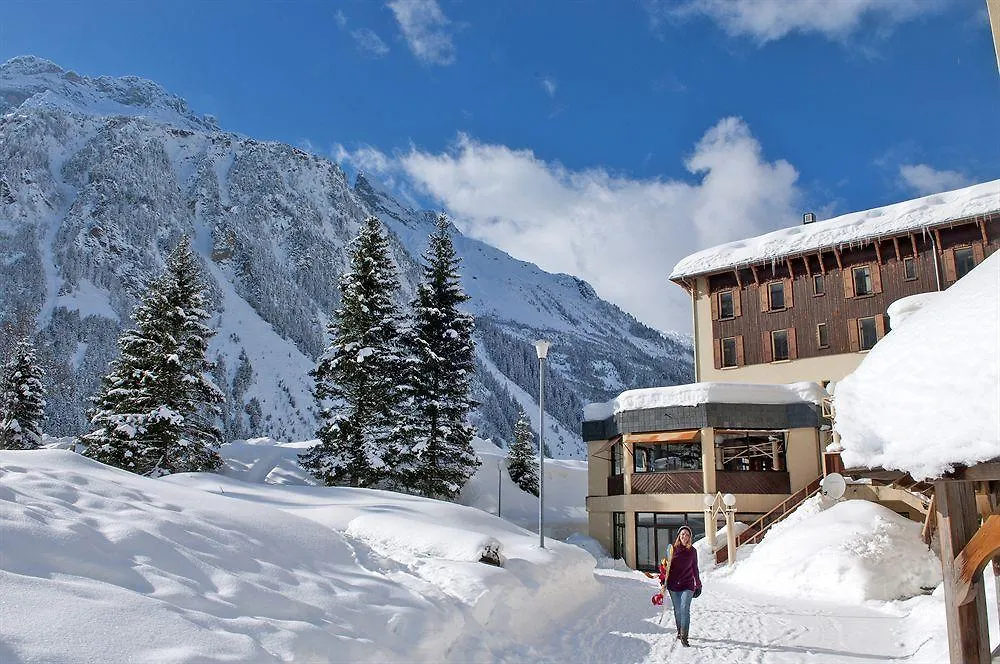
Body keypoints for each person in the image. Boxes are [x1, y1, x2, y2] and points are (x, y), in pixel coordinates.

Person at [664, 525, 701, 647]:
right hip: (673, 585)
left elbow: (695, 568)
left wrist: (698, 584)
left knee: (685, 609)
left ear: (690, 537)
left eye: (687, 534)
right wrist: (663, 578)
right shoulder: (672, 549)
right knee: (678, 610)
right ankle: (679, 630)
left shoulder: (693, 551)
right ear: (679, 536)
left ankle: (684, 636)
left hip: (687, 584)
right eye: (682, 534)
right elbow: (666, 568)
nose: (684, 536)